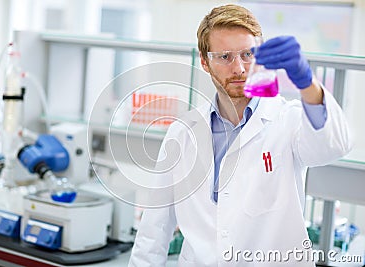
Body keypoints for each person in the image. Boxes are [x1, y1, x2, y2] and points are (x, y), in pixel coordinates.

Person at [128, 4, 351, 267]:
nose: (240, 68)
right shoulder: (183, 132)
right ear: (204, 61)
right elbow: (154, 230)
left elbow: (334, 146)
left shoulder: (287, 120)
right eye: (225, 57)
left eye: (248, 54)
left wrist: (308, 84)